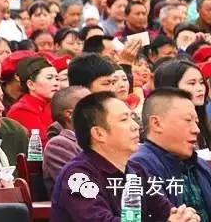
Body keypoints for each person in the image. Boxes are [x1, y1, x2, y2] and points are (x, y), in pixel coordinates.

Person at [50, 91, 199, 222]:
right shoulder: (77, 176)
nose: (135, 126)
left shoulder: (137, 171)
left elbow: (166, 212)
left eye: (132, 117)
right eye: (124, 119)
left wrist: (184, 217)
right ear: (98, 133)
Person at [129, 88, 211, 219]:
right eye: (188, 120)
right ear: (156, 123)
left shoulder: (200, 165)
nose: (196, 130)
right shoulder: (138, 167)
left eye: (196, 122)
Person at [42, 85, 90, 195]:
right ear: (70, 114)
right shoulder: (59, 145)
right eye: (91, 104)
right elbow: (82, 188)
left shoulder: (98, 141)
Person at [6, 56, 58, 141]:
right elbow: (43, 143)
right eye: (49, 78)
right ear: (31, 84)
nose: (56, 83)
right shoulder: (21, 110)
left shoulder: (54, 106)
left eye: (57, 78)